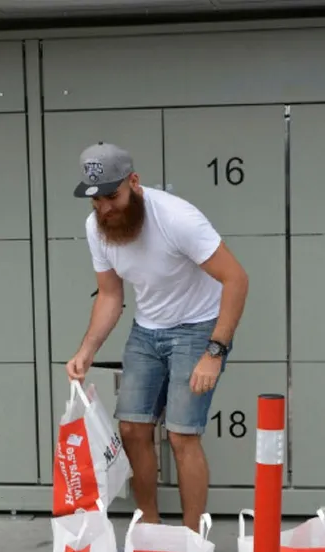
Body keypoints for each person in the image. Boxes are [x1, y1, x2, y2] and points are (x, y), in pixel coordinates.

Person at [65, 142, 249, 532]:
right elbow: (110, 295)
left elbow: (235, 279)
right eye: (95, 200)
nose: (104, 208)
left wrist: (214, 351)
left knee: (182, 435)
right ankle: (148, 527)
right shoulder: (97, 229)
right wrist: (86, 350)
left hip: (198, 328)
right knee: (132, 429)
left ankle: (192, 537)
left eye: (112, 196)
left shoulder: (177, 219)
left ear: (134, 182)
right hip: (147, 330)